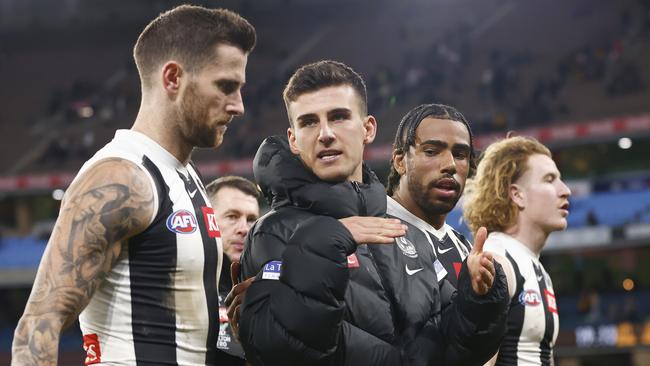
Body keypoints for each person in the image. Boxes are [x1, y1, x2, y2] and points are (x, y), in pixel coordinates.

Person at [12, 5, 256, 365]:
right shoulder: (121, 179)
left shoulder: (186, 177)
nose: (238, 106)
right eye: (225, 86)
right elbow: (37, 327)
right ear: (172, 78)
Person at [235, 60, 508, 365]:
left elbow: (452, 352)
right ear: (293, 139)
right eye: (309, 122)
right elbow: (285, 350)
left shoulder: (408, 235)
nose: (325, 133)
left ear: (368, 129)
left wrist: (477, 300)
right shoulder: (273, 233)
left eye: (339, 117)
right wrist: (321, 245)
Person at [463, 136, 571, 366]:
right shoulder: (499, 261)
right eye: (549, 180)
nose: (565, 190)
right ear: (517, 194)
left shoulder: (533, 265)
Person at [206, 176, 261, 364]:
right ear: (207, 220)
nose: (244, 229)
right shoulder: (181, 283)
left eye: (252, 219)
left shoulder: (267, 286)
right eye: (232, 216)